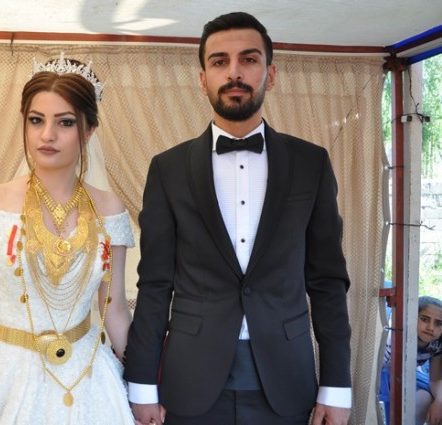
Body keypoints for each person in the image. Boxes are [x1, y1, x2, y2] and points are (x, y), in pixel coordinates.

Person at [123, 11, 352, 425]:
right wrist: (141, 384)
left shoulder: (311, 163)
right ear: (202, 79)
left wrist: (336, 387)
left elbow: (328, 282)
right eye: (219, 62)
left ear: (271, 74)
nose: (234, 72)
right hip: (189, 383)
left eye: (248, 59)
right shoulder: (167, 169)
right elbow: (155, 283)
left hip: (287, 381)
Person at [0, 54, 136, 424]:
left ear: (89, 131)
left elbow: (113, 309)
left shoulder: (109, 209)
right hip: (0, 372)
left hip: (86, 375)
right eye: (36, 120)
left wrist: (145, 387)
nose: (47, 135)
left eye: (65, 122)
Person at [380, 295, 442, 425]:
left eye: (438, 323)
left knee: (426, 399)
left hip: (408, 374)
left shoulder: (437, 343)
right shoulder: (396, 334)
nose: (431, 327)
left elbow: (435, 379)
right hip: (381, 373)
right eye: (425, 319)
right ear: (412, 317)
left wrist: (439, 401)